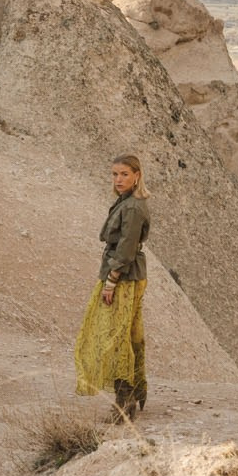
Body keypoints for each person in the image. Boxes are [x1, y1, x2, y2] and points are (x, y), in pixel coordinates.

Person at [74, 153, 150, 420]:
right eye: (115, 174)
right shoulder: (128, 201)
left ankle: (125, 401)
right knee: (128, 334)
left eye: (124, 174)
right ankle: (135, 393)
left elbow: (126, 249)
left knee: (114, 337)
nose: (118, 180)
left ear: (137, 175)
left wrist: (110, 282)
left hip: (124, 277)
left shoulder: (131, 207)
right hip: (128, 275)